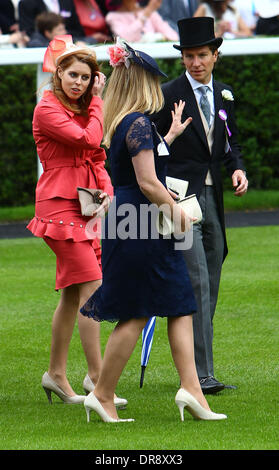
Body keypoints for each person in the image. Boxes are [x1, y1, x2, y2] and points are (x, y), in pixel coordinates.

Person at [80, 39, 227, 423]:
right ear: (142, 82)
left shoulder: (131, 122)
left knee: (181, 303)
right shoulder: (139, 121)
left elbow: (144, 166)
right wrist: (178, 212)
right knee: (135, 313)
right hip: (142, 224)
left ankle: (192, 392)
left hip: (140, 222)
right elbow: (147, 182)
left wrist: (172, 135)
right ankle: (103, 394)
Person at [27, 35, 126, 407]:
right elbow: (91, 137)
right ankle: (100, 383)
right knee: (93, 289)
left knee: (72, 295)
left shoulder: (83, 107)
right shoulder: (47, 108)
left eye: (86, 77)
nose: (79, 83)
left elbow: (96, 157)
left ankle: (55, 375)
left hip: (84, 206)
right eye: (73, 75)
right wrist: (98, 101)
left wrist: (106, 195)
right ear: (59, 74)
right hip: (57, 207)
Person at [153, 17, 248, 394]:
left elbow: (230, 144)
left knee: (211, 282)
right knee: (196, 284)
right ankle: (202, 376)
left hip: (215, 199)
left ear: (215, 56)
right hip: (179, 199)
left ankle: (195, 368)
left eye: (202, 55)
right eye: (189, 56)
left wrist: (238, 169)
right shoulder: (167, 93)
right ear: (183, 59)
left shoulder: (225, 94)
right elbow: (150, 148)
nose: (196, 62)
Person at [105, 0, 179, 43]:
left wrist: (159, 37)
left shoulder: (151, 13)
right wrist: (146, 13)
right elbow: (127, 38)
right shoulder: (112, 17)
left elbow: (173, 36)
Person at [18, 0, 91, 43]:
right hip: (42, 50)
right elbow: (28, 32)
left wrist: (72, 41)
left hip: (71, 46)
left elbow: (77, 29)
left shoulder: (67, 1)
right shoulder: (27, 3)